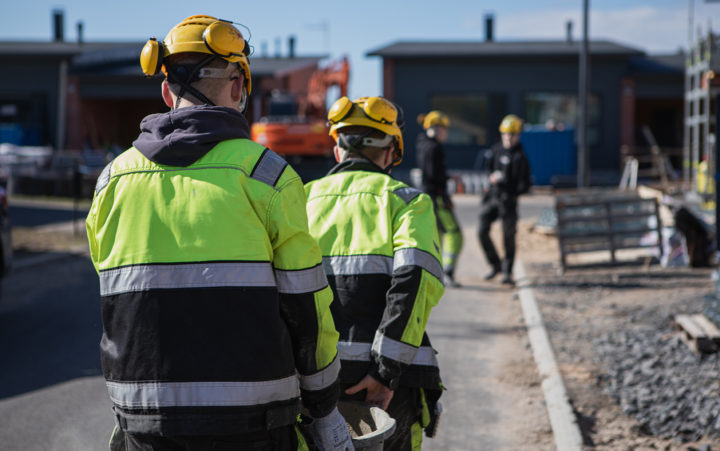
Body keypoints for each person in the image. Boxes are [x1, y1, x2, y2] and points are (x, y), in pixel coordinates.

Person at [85, 15, 352, 451]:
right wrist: (323, 407)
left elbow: (117, 301)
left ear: (167, 91)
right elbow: (307, 308)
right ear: (237, 87)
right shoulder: (267, 175)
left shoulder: (112, 181)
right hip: (253, 427)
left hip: (145, 428)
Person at [305, 96, 446, 451]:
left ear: (338, 149)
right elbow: (414, 284)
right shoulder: (408, 201)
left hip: (314, 379)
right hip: (386, 386)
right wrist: (385, 373)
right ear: (390, 153)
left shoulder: (299, 200)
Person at [478, 114, 532, 285]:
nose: (508, 138)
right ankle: (496, 265)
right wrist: (492, 179)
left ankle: (507, 272)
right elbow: (487, 170)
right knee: (481, 230)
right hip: (493, 198)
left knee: (508, 237)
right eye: (505, 134)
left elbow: (526, 185)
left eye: (511, 134)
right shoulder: (496, 150)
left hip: (509, 203)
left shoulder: (521, 157)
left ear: (518, 135)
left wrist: (511, 190)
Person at [415, 111, 463, 287]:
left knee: (438, 236)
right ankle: (448, 272)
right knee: (455, 234)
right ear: (435, 128)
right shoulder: (435, 148)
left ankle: (436, 274)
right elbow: (435, 176)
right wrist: (446, 194)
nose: (446, 134)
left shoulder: (422, 145)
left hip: (429, 196)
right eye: (444, 129)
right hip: (437, 197)